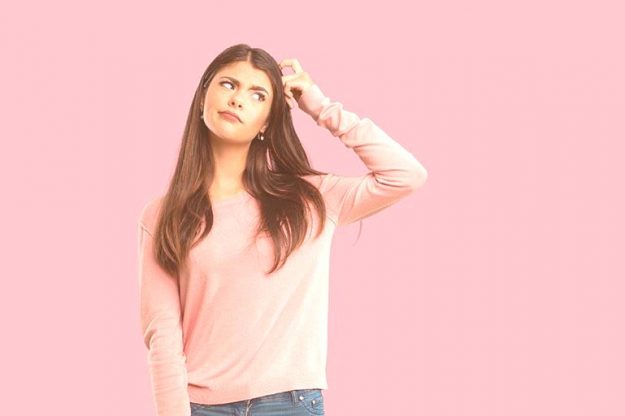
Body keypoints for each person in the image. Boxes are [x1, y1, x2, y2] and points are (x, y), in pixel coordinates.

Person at [137, 43, 428, 416]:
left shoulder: (311, 199)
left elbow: (406, 175)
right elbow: (162, 334)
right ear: (202, 97)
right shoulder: (162, 216)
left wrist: (321, 108)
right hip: (200, 407)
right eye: (228, 84)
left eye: (257, 94)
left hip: (289, 404)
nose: (238, 99)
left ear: (267, 122)